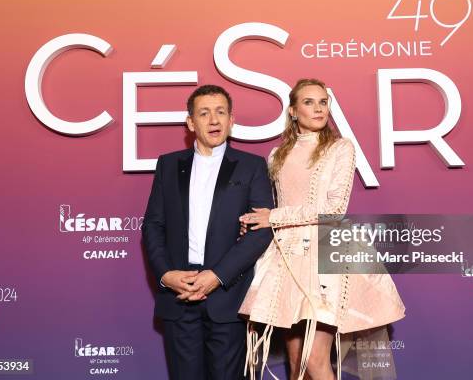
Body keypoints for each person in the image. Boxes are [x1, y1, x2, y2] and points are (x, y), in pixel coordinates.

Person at [239, 79, 406, 379]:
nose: (318, 108)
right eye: (309, 102)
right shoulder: (276, 155)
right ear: (292, 111)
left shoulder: (341, 148)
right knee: (295, 366)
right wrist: (255, 222)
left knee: (315, 361)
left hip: (325, 254)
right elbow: (275, 207)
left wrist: (273, 217)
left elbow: (333, 210)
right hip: (286, 260)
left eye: (323, 102)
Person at [142, 84, 274, 379]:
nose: (214, 120)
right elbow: (153, 225)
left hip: (228, 297)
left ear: (231, 120)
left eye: (220, 112)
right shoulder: (168, 165)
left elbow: (261, 230)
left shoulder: (251, 166)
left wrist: (217, 276)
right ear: (191, 122)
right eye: (204, 113)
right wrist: (166, 275)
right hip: (179, 296)